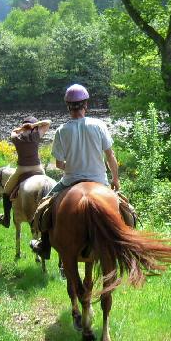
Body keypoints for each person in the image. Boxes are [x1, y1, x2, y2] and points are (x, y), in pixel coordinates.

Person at [30, 84, 120, 259]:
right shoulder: (99, 125)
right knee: (126, 209)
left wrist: (72, 166)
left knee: (43, 207)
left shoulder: (62, 131)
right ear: (86, 104)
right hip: (99, 181)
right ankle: (126, 239)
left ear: (68, 106)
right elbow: (110, 156)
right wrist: (115, 178)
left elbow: (58, 163)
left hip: (69, 181)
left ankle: (44, 244)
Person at [0, 115, 52, 228]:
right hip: (38, 168)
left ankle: (6, 219)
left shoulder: (17, 138)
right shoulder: (36, 135)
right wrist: (35, 125)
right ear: (33, 128)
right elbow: (48, 122)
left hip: (22, 169)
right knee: (49, 186)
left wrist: (22, 128)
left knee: (6, 191)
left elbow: (13, 131)